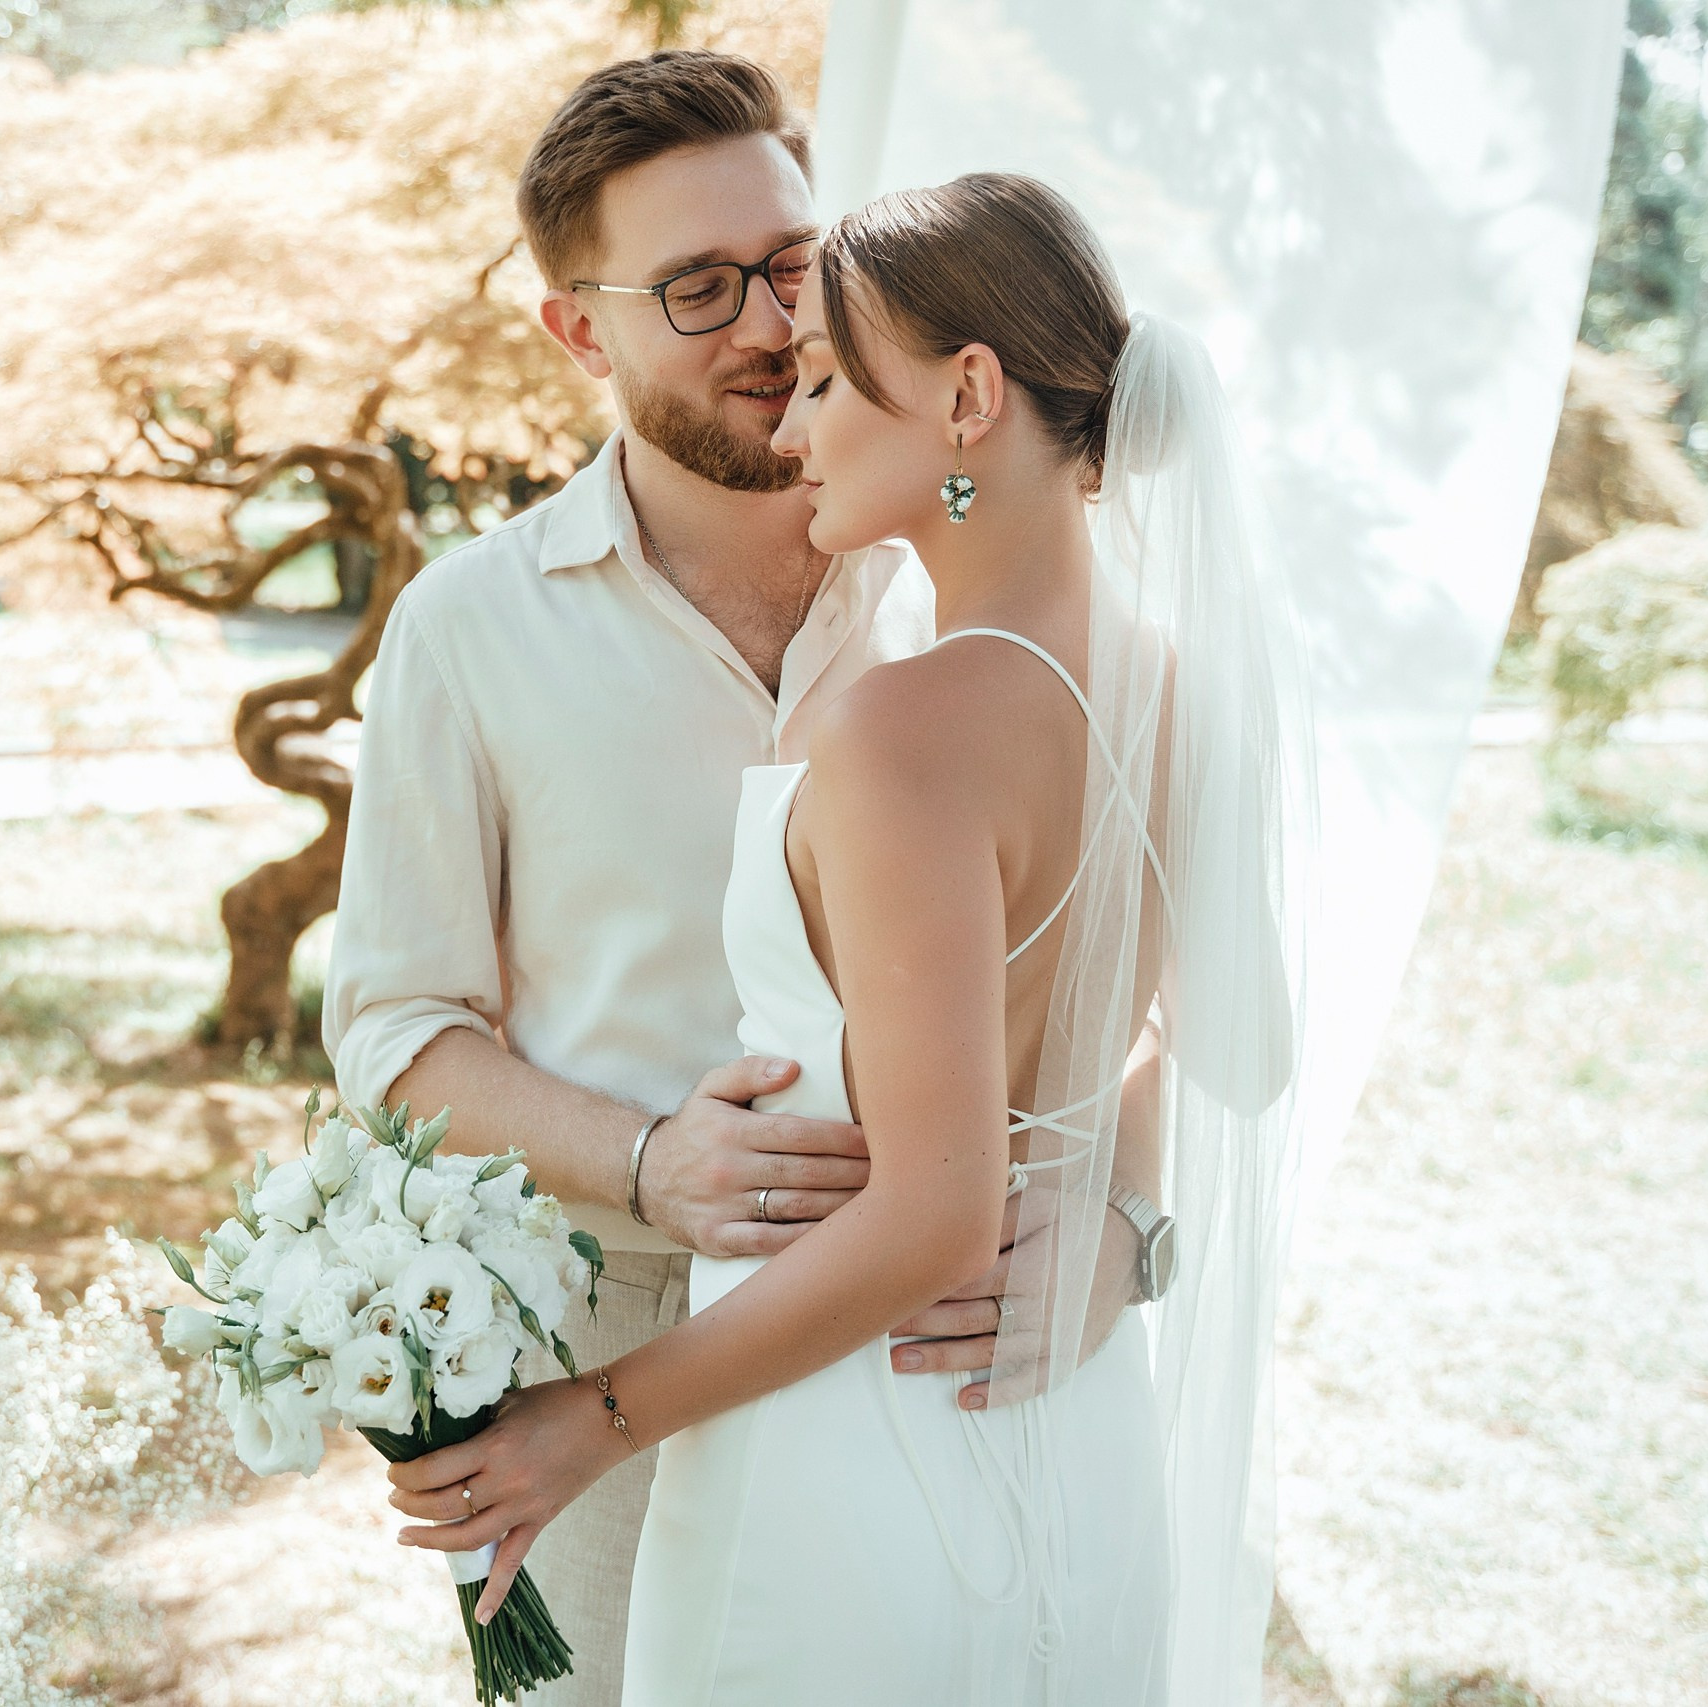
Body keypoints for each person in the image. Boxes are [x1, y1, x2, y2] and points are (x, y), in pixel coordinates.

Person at [384, 173, 1309, 1705]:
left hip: (852, 1434)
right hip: (1069, 1415)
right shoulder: (1177, 684)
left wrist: (591, 1423)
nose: (793, 425)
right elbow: (1239, 1054)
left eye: (824, 380)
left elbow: (933, 1213)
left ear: (966, 398)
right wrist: (1102, 1209)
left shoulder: (906, 728)